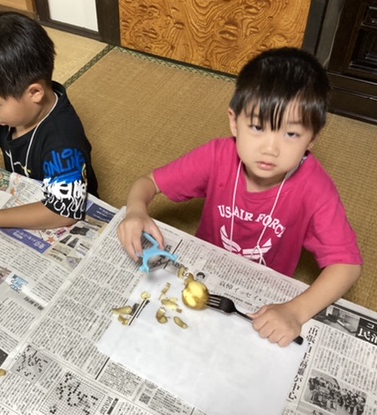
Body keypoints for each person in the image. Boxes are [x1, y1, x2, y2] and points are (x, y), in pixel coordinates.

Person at [117, 47, 362, 347]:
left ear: (312, 138)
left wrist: (295, 311)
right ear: (234, 122)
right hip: (204, 271)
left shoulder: (315, 187)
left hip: (263, 294)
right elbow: (148, 183)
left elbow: (348, 264)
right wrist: (136, 210)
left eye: (291, 134)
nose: (270, 149)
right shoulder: (217, 156)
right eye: (257, 127)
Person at [0, 12, 98, 232]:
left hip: (59, 215)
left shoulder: (62, 143)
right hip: (26, 194)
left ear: (34, 93)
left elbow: (64, 212)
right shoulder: (12, 114)